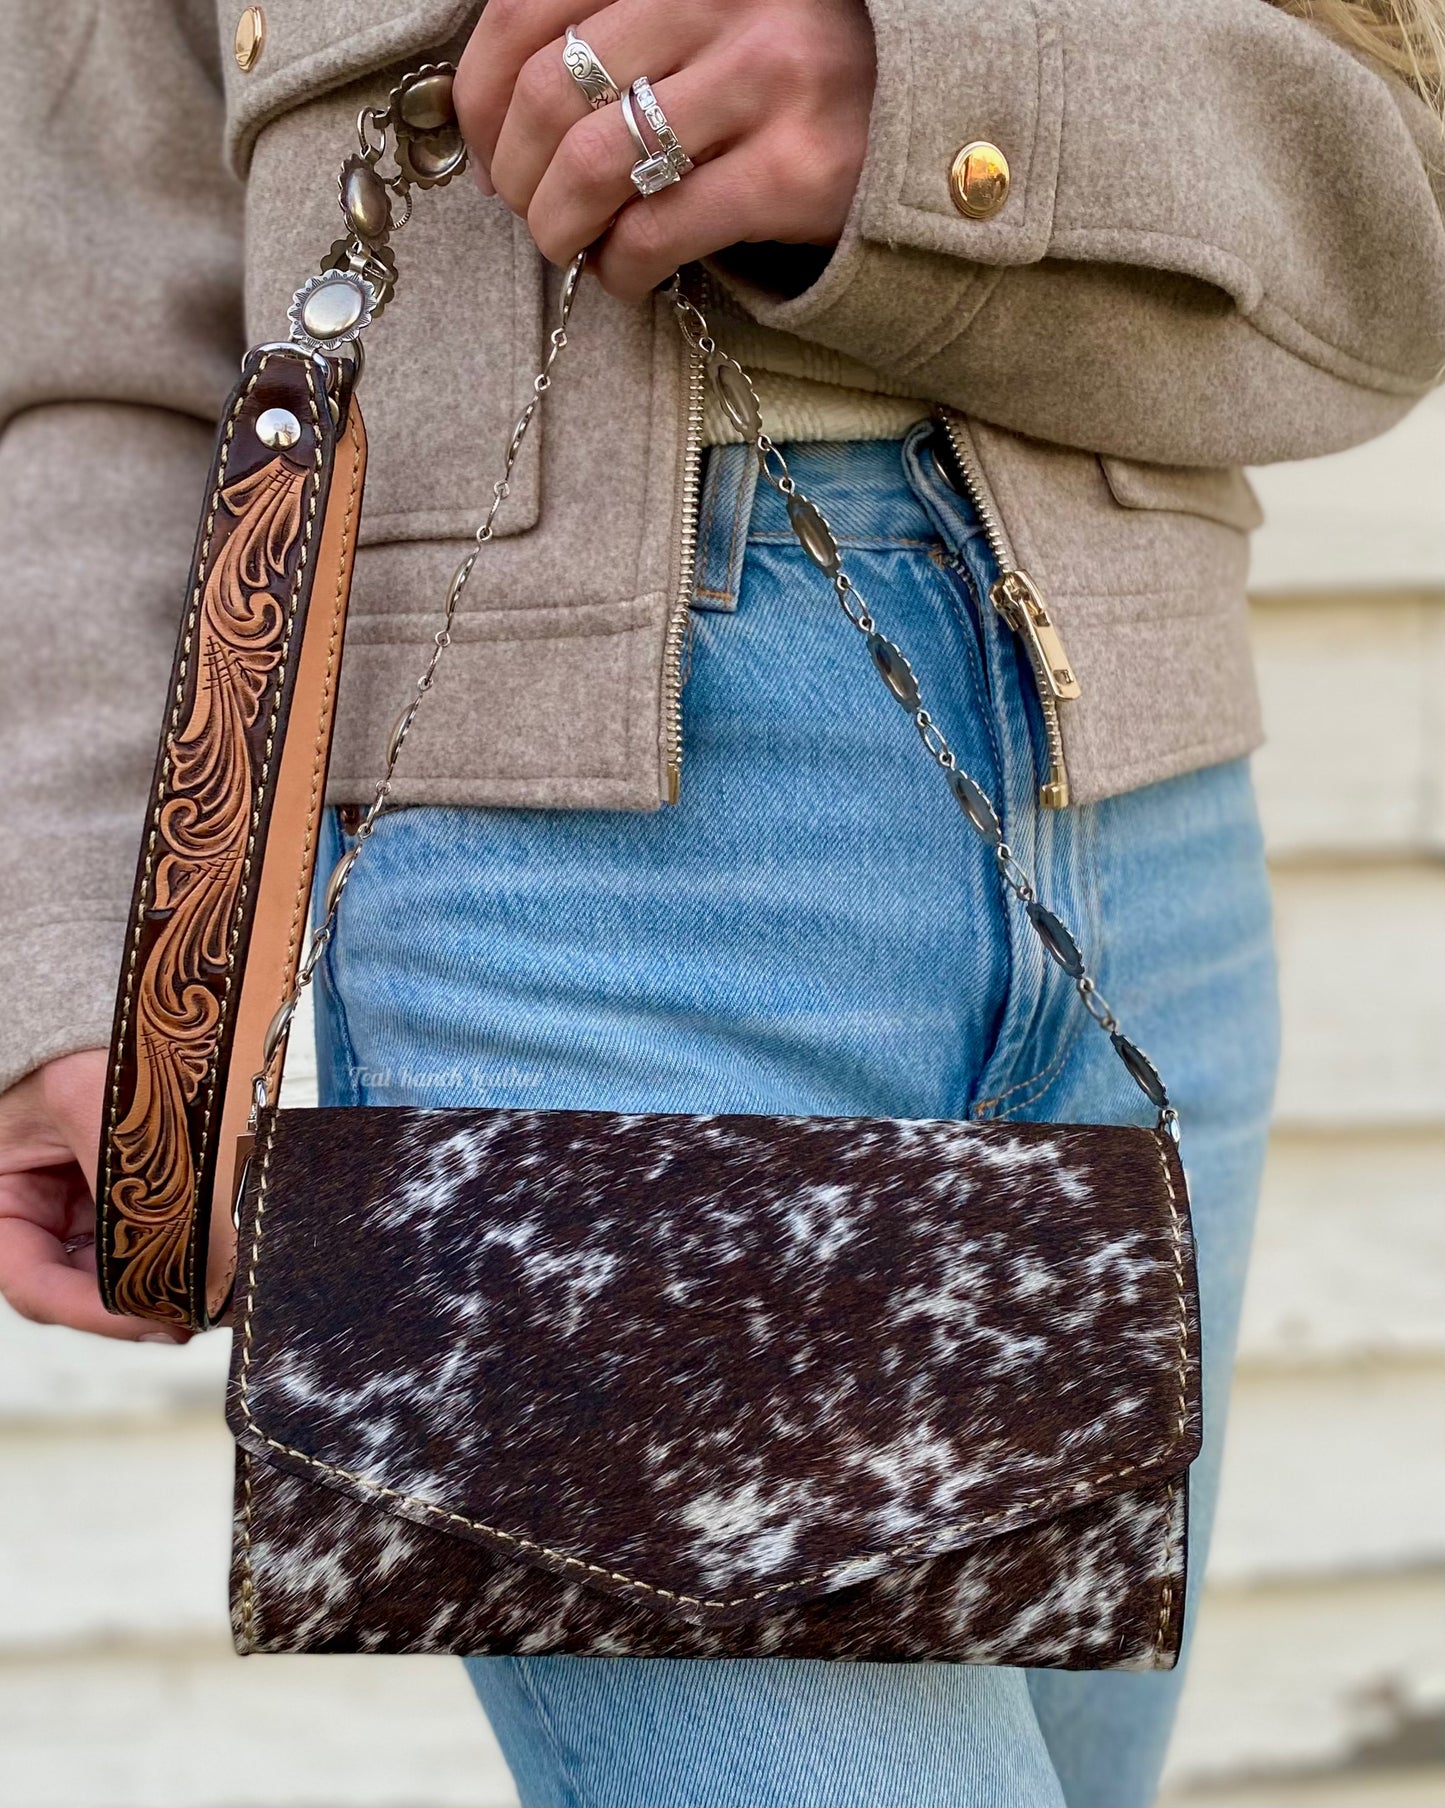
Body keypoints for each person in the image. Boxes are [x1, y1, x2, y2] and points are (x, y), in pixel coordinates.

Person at [2, 1, 1442, 1804]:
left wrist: (936, 105)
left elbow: (1394, 231)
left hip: (1146, 855)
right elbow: (100, 328)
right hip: (576, 897)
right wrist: (84, 936)